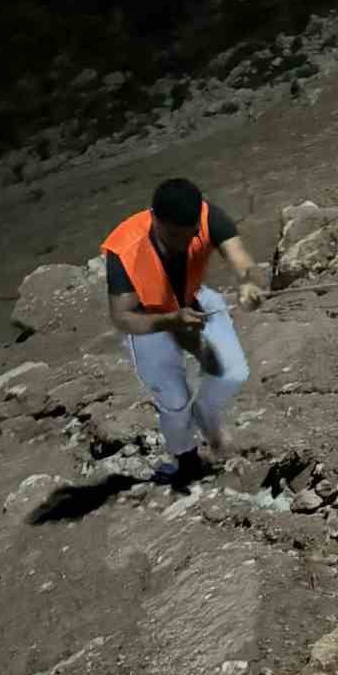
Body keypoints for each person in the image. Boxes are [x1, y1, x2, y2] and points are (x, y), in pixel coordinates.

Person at [102, 177, 264, 487]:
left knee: (233, 372)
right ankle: (187, 460)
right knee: (174, 402)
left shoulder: (207, 217)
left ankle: (205, 412)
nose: (184, 244)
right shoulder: (125, 248)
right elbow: (122, 318)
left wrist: (250, 283)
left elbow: (243, 261)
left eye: (190, 235)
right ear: (156, 220)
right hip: (148, 319)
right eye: (175, 236)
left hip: (194, 300)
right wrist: (172, 321)